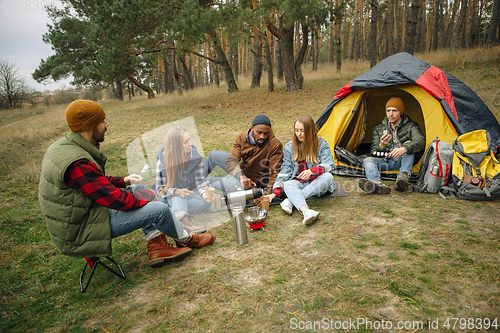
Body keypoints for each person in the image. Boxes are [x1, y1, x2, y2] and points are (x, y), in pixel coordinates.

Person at [38, 100, 215, 269]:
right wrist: (149, 198)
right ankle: (185, 238)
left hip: (85, 211)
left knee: (139, 188)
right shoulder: (77, 164)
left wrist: (123, 181)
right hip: (82, 227)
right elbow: (118, 200)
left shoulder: (66, 147)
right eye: (102, 121)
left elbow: (91, 182)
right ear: (88, 126)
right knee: (159, 209)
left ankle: (157, 246)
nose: (107, 124)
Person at [269, 114, 336, 225]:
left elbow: (330, 165)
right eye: (296, 130)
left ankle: (291, 200)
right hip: (299, 183)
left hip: (317, 183)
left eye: (302, 131)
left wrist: (312, 171)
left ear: (310, 131)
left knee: (328, 177)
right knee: (288, 184)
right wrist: (275, 192)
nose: (298, 134)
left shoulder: (322, 144)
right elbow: (285, 172)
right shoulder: (289, 148)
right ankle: (306, 211)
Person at [203, 114, 283, 204]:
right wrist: (241, 176)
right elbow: (231, 161)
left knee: (211, 181)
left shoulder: (275, 145)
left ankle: (205, 185)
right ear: (252, 128)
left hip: (255, 182)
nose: (262, 137)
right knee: (213, 155)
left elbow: (275, 173)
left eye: (266, 133)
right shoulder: (241, 138)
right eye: (259, 132)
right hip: (242, 173)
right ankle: (192, 183)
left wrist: (266, 194)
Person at [358, 97, 425, 194]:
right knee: (368, 160)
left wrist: (404, 149)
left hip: (404, 160)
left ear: (401, 112)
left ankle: (403, 177)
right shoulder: (379, 128)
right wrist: (381, 146)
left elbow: (420, 141)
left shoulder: (411, 126)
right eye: (388, 110)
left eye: (394, 110)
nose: (391, 114)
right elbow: (373, 151)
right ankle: (376, 183)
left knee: (408, 146)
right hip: (387, 161)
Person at [153, 127, 211, 233]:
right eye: (186, 142)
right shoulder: (163, 159)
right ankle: (183, 221)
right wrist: (176, 191)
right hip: (166, 195)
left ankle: (172, 211)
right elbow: (160, 189)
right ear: (176, 146)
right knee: (177, 197)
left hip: (187, 194)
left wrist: (204, 193)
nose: (190, 144)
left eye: (189, 140)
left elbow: (200, 181)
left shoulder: (195, 156)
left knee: (205, 202)